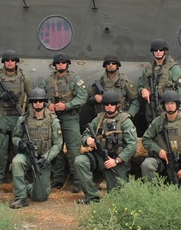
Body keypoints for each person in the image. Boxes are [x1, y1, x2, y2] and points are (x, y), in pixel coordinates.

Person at [72, 90, 138, 204]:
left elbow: (132, 145)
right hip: (99, 157)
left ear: (117, 105)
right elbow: (85, 134)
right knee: (80, 161)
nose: (109, 106)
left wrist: (116, 160)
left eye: (112, 104)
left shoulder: (124, 121)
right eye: (106, 104)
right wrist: (88, 140)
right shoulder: (99, 119)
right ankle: (92, 196)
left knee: (118, 197)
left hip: (116, 160)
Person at [0, 49, 34, 192]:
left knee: (20, 148)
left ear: (16, 62)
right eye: (7, 60)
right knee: (1, 150)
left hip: (18, 116)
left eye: (13, 60)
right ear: (4, 62)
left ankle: (21, 177)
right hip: (3, 117)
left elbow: (32, 96)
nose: (10, 62)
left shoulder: (24, 78)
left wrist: (28, 114)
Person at [40, 52, 87, 191]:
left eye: (63, 62)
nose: (61, 64)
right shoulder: (48, 80)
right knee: (56, 149)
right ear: (55, 65)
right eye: (58, 63)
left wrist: (67, 105)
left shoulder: (74, 79)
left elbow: (82, 97)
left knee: (73, 150)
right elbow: (39, 95)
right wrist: (48, 104)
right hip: (54, 119)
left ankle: (78, 181)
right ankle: (58, 179)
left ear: (67, 64)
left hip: (70, 117)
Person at [9, 88, 62, 209]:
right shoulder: (24, 119)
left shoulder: (53, 120)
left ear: (44, 102)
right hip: (28, 155)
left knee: (41, 197)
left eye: (40, 101)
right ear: (32, 102)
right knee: (17, 162)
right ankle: (21, 198)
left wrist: (45, 159)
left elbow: (58, 144)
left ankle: (27, 187)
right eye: (35, 101)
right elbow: (15, 137)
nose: (38, 103)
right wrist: (21, 143)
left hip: (43, 158)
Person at [141, 90, 181, 187]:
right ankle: (153, 193)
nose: (170, 106)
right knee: (147, 164)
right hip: (162, 162)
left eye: (172, 103)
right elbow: (146, 139)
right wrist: (159, 151)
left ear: (177, 105)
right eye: (167, 103)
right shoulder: (158, 122)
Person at [137, 39, 181, 123]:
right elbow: (140, 85)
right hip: (151, 109)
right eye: (155, 50)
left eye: (161, 50)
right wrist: (142, 90)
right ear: (153, 52)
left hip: (169, 110)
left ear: (165, 51)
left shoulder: (173, 68)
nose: (158, 52)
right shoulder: (148, 69)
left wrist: (180, 109)